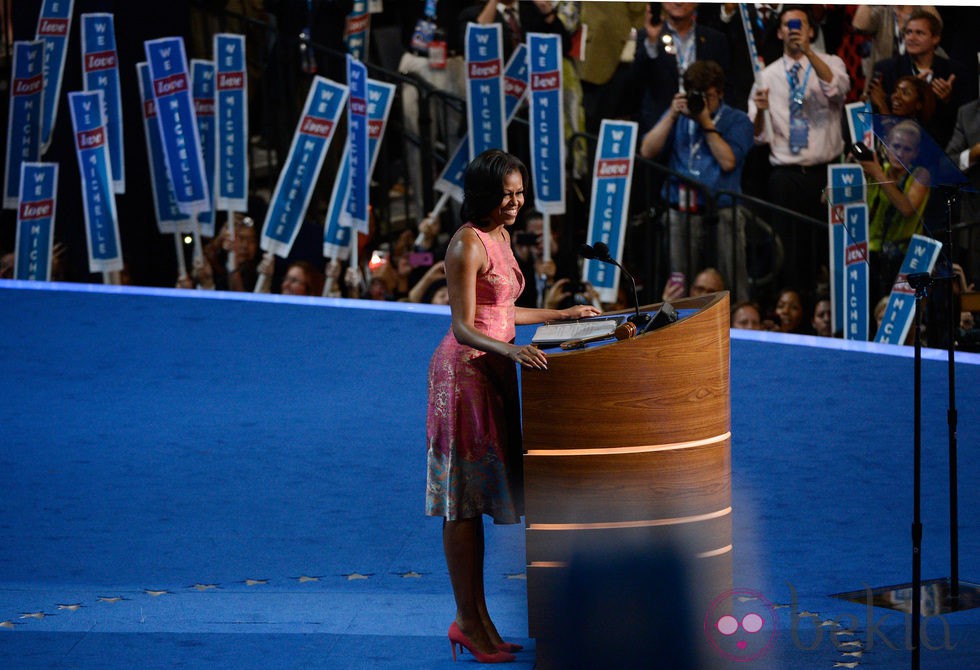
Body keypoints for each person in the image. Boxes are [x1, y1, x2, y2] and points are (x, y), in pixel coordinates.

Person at [425, 149, 599, 663]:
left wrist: (561, 314)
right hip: (463, 377)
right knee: (462, 503)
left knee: (478, 499)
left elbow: (503, 309)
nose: (516, 203)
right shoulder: (466, 244)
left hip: (496, 371)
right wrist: (513, 350)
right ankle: (467, 621)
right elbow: (462, 326)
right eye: (507, 195)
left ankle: (479, 622)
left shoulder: (502, 236)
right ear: (483, 194)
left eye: (520, 194)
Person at [748, 6, 850, 293]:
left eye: (800, 24)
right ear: (779, 31)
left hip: (825, 174)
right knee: (790, 255)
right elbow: (757, 136)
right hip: (786, 176)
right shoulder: (766, 77)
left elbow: (838, 90)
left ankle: (826, 318)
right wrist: (760, 112)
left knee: (827, 252)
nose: (793, 29)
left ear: (810, 30)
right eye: (787, 24)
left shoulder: (831, 62)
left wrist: (809, 53)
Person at [639, 59, 754, 303]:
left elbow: (728, 162)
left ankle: (741, 323)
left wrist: (706, 123)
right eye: (696, 95)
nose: (701, 101)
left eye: (708, 96)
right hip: (681, 211)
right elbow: (647, 150)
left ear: (720, 93)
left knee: (732, 278)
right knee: (680, 284)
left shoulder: (738, 120)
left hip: (723, 211)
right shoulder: (680, 116)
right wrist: (671, 114)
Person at [852, 119, 930, 304]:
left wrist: (878, 174)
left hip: (903, 258)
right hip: (870, 253)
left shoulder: (921, 174)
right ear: (886, 147)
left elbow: (906, 208)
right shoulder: (876, 169)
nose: (900, 153)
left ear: (916, 153)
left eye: (907, 149)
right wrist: (850, 169)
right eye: (895, 146)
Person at [869, 10, 971, 149]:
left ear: (935, 38)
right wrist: (908, 95)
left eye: (919, 33)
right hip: (897, 149)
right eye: (908, 32)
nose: (911, 38)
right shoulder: (886, 69)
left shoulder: (955, 72)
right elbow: (874, 110)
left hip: (940, 149)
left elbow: (968, 117)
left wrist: (948, 100)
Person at [632, 2, 730, 136]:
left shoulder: (715, 39)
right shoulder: (645, 35)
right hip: (657, 126)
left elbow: (723, 88)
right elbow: (635, 84)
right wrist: (652, 44)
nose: (679, 2)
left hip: (701, 127)